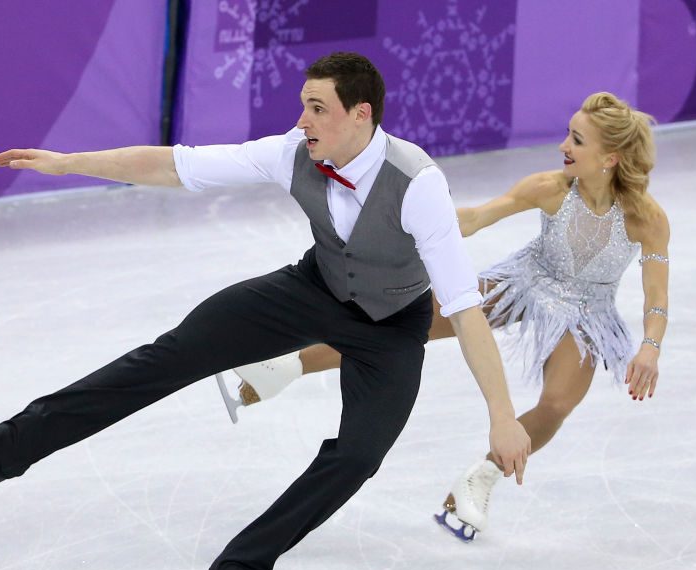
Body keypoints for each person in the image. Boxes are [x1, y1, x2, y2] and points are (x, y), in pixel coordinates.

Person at [0, 52, 530, 570]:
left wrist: (501, 418)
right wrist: (68, 163)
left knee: (358, 456)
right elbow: (173, 166)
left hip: (393, 324)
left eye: (318, 109)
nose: (303, 121)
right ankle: (8, 446)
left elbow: (463, 308)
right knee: (175, 353)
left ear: (361, 114)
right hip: (311, 289)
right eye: (303, 105)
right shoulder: (294, 152)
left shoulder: (418, 182)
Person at [219, 92, 670, 543]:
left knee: (558, 404)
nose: (563, 147)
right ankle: (282, 367)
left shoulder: (645, 218)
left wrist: (650, 347)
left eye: (577, 140)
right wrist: (419, 219)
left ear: (610, 157)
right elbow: (477, 217)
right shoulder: (550, 188)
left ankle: (481, 479)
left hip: (588, 313)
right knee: (407, 325)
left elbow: (656, 298)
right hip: (526, 281)